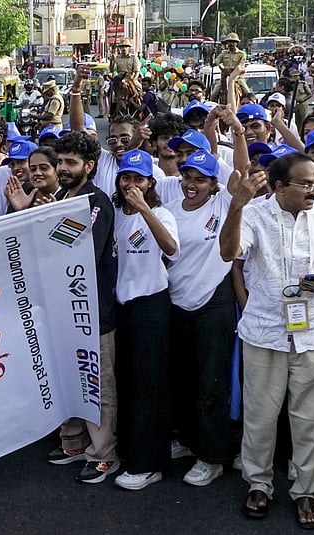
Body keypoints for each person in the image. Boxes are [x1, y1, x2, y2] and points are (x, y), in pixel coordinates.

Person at [220, 152, 314, 528]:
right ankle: (258, 484)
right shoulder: (255, 215)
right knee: (260, 416)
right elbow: (229, 252)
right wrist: (237, 204)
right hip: (264, 331)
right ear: (280, 187)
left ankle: (306, 489)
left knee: (309, 419)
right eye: (306, 184)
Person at [163, 150, 242, 487]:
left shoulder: (224, 203)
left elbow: (241, 169)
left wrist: (236, 129)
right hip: (177, 303)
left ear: (214, 183)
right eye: (187, 178)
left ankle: (212, 456)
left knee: (212, 382)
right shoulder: (168, 211)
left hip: (215, 302)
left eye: (200, 179)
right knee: (183, 378)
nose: (191, 185)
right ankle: (188, 439)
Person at [44, 132, 120, 483]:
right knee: (67, 382)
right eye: (60, 162)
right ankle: (73, 441)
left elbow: (80, 253)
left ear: (89, 166)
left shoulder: (97, 203)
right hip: (62, 310)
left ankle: (103, 453)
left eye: (71, 163)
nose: (63, 168)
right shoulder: (60, 197)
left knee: (97, 384)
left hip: (94, 313)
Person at [106, 150, 178, 491]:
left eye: (139, 179)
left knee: (150, 385)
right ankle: (129, 450)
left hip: (151, 304)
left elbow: (171, 249)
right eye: (126, 178)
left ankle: (150, 463)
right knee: (127, 381)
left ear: (150, 183)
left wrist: (146, 210)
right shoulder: (113, 212)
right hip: (122, 306)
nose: (131, 185)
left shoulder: (162, 212)